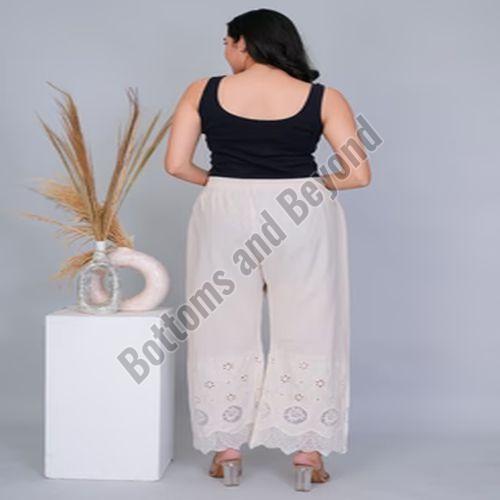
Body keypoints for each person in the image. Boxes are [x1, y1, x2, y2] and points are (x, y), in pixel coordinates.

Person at [164, 8, 371, 491]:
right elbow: (358, 174)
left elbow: (176, 165)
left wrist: (220, 184)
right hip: (301, 209)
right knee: (311, 319)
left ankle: (227, 451)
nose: (225, 51)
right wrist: (314, 185)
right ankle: (307, 453)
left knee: (219, 320)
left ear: (244, 43)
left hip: (224, 208)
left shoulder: (201, 91)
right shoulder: (323, 97)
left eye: (227, 42)